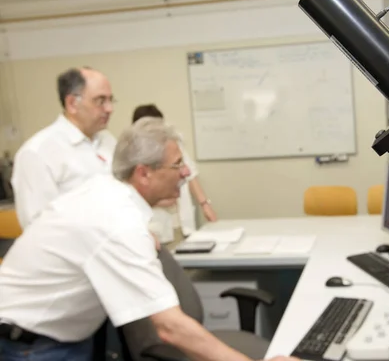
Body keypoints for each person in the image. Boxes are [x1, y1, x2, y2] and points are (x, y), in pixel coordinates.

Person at [0, 117, 298, 361]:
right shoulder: (117, 222)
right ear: (143, 173)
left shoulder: (110, 194)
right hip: (30, 343)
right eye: (177, 164)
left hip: (58, 333)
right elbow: (169, 328)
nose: (185, 173)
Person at [10, 66, 116, 229]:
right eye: (100, 101)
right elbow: (39, 227)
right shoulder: (37, 153)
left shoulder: (108, 141)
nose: (109, 109)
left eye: (110, 100)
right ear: (72, 103)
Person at [132, 104, 217, 249]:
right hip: (156, 226)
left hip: (181, 221)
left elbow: (191, 174)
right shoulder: (133, 156)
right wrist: (159, 199)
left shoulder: (172, 146)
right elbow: (131, 191)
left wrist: (205, 205)